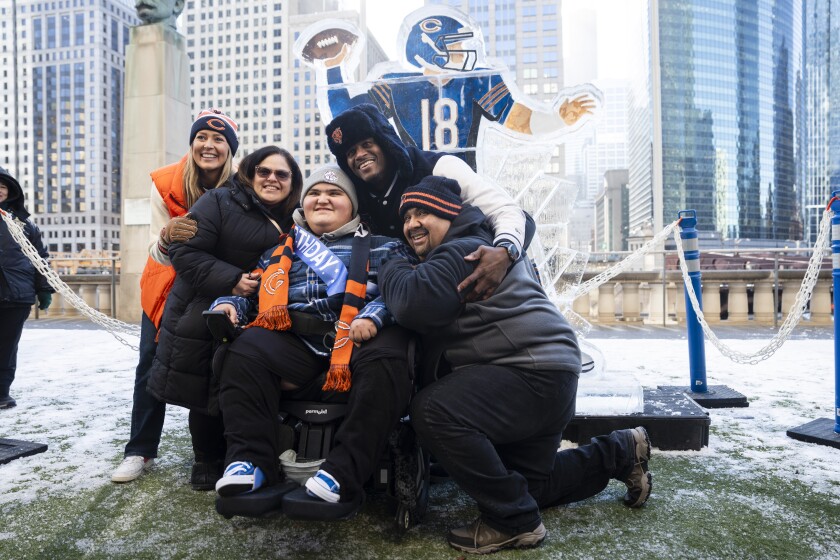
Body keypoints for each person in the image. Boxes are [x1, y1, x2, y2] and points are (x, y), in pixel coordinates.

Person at [380, 176, 653, 555]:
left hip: (528, 373)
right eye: (406, 216)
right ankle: (620, 451)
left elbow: (412, 303)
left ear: (449, 213)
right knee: (530, 487)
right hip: (548, 374)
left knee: (433, 410)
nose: (411, 224)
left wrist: (390, 260)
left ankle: (512, 523)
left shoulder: (464, 250)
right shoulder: (486, 244)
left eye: (422, 212)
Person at [210, 165, 412, 514]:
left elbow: (404, 292)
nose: (323, 199)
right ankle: (251, 463)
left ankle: (343, 474)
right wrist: (228, 303)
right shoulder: (278, 252)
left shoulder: (385, 247)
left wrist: (373, 315)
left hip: (358, 342)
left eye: (335, 193)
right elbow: (254, 298)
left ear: (352, 206)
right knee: (241, 350)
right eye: (315, 193)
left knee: (389, 357)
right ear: (303, 204)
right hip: (295, 345)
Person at [146, 145, 302, 490]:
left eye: (282, 174)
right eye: (264, 171)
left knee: (239, 385)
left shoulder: (298, 216)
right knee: (204, 387)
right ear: (249, 173)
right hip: (202, 306)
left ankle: (247, 455)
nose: (272, 179)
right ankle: (205, 458)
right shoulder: (218, 201)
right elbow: (183, 250)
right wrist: (232, 280)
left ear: (294, 182)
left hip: (260, 312)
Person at [111, 108, 240, 483]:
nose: (209, 145)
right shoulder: (165, 182)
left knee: (221, 366)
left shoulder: (241, 186)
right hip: (167, 284)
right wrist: (168, 237)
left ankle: (218, 452)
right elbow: (153, 248)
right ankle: (140, 450)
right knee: (152, 364)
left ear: (230, 149)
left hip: (216, 285)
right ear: (192, 142)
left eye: (219, 140)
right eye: (202, 137)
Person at [326, 102, 526, 302]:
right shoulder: (353, 198)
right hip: (408, 297)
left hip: (482, 288)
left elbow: (504, 210)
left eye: (367, 144)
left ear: (385, 142)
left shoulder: (439, 167)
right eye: (350, 152)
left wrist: (505, 252)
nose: (359, 155)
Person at [0, 166, 53, 410]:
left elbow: (40, 259)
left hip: (16, 294)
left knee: (8, 347)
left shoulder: (25, 225)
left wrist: (44, 289)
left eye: (3, 187)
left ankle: (2, 392)